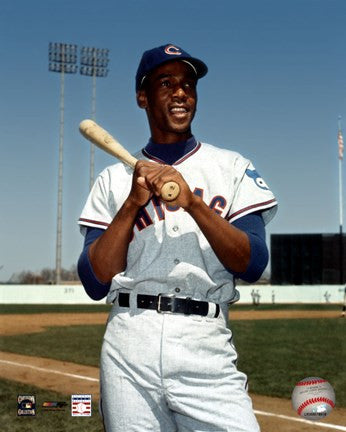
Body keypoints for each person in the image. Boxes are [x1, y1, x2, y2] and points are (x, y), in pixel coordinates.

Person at [77, 43, 277, 432]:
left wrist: (194, 204)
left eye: (188, 84)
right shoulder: (112, 179)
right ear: (142, 97)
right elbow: (93, 280)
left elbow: (253, 263)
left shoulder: (232, 167)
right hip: (130, 339)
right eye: (166, 83)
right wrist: (132, 204)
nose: (181, 92)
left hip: (205, 340)